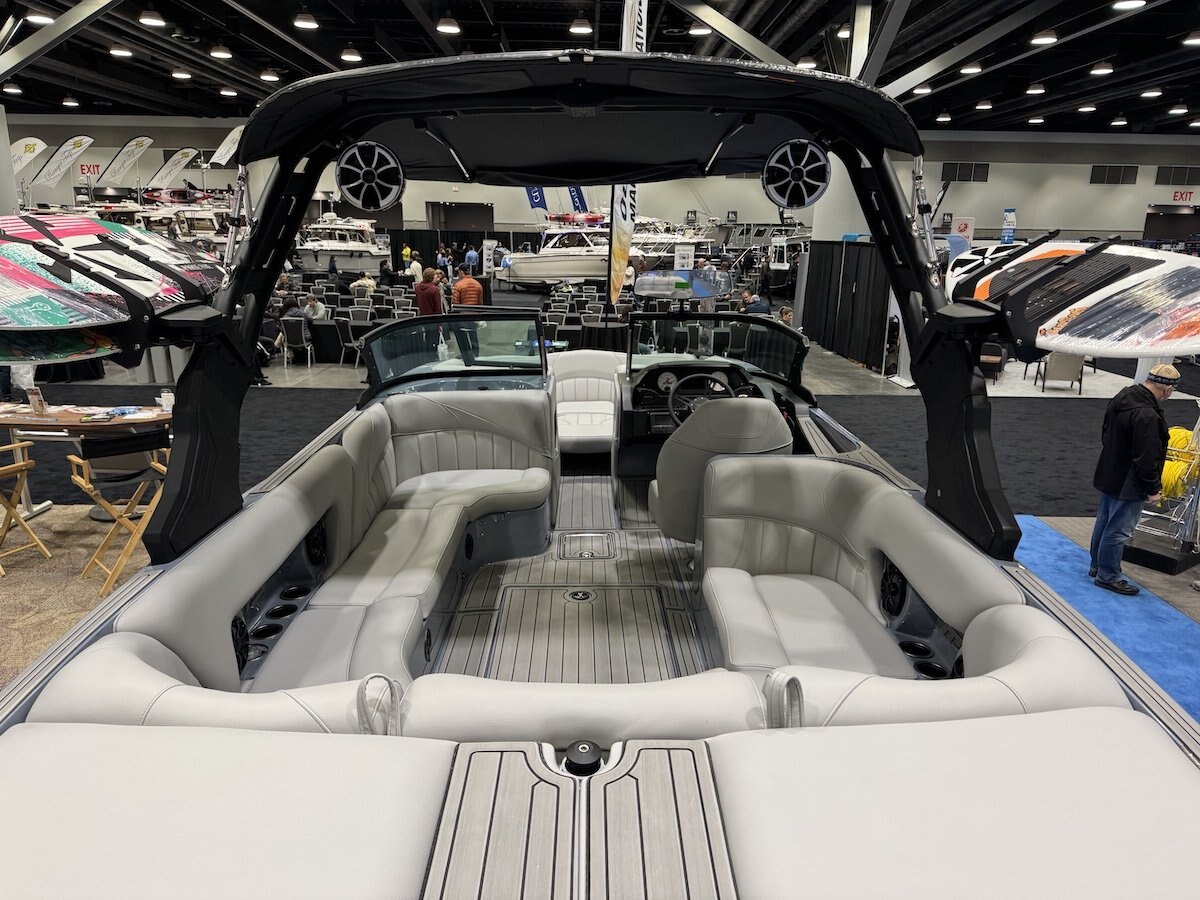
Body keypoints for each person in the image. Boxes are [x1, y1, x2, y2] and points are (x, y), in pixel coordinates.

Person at [1089, 363, 1178, 595]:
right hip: (1129, 481)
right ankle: (1108, 576)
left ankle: (1097, 566)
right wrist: (1153, 488)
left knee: (1104, 522)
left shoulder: (1123, 397)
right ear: (1167, 390)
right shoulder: (1148, 415)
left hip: (1110, 471)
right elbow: (1147, 457)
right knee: (1118, 530)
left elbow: (1105, 433)